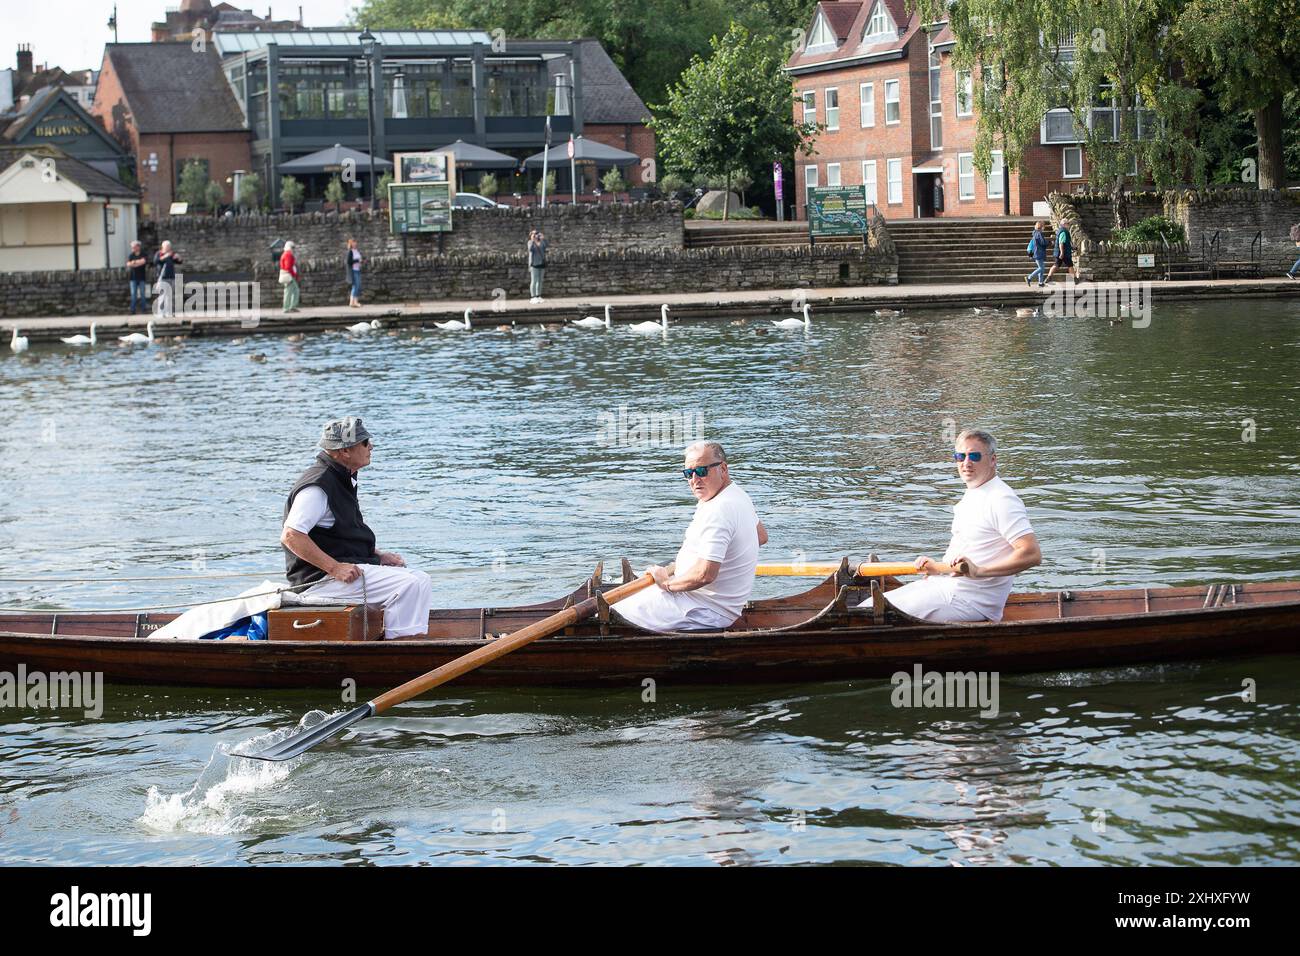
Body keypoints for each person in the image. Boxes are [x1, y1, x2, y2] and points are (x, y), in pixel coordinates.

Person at [280, 417, 432, 639]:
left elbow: (339, 535)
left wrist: (377, 555)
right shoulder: (319, 485)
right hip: (319, 581)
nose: (371, 446)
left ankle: (407, 640)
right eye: (364, 442)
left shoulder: (342, 477)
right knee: (408, 584)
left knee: (420, 579)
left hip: (340, 572)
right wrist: (334, 568)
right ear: (345, 451)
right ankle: (400, 650)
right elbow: (291, 535)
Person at [875, 429, 1042, 623]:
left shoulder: (1002, 499)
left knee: (873, 616)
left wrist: (979, 571)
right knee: (866, 608)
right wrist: (937, 568)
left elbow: (1031, 554)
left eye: (975, 456)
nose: (966, 463)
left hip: (971, 602)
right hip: (945, 588)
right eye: (960, 456)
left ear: (993, 460)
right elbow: (970, 553)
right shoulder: (972, 495)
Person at [614, 441, 768, 632]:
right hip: (709, 601)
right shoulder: (736, 494)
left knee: (614, 615)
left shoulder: (720, 509)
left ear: (723, 468)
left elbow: (705, 575)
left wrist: (667, 583)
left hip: (704, 608)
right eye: (689, 473)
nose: (695, 479)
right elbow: (760, 536)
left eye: (702, 471)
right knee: (625, 601)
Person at [152, 240, 182, 317]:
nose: (168, 248)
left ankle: (170, 312)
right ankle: (161, 312)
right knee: (162, 296)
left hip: (171, 277)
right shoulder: (159, 253)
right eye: (166, 247)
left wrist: (178, 258)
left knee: (170, 296)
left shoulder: (171, 254)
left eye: (169, 247)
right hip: (162, 278)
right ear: (163, 247)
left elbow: (179, 262)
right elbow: (155, 262)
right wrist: (165, 256)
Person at [127, 240, 149, 315]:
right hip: (133, 278)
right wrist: (137, 263)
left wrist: (134, 263)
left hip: (142, 277)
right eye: (132, 247)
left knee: (143, 294)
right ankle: (132, 310)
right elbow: (128, 264)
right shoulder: (131, 255)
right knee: (133, 295)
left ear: (138, 247)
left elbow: (143, 261)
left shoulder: (143, 254)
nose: (132, 248)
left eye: (134, 247)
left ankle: (144, 309)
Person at [1025, 221, 1049, 288]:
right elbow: (1043, 243)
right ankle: (1029, 277)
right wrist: (1049, 242)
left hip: (1036, 253)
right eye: (1044, 226)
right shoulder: (1039, 233)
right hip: (1039, 253)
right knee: (1041, 268)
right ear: (1041, 227)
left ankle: (1040, 282)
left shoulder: (1035, 233)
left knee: (1041, 268)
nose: (1044, 228)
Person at [280, 240, 301, 313]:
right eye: (293, 247)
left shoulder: (286, 254)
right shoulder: (288, 255)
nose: (293, 249)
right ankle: (286, 308)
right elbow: (288, 267)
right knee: (289, 291)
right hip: (289, 275)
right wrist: (294, 275)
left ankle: (292, 307)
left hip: (288, 275)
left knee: (294, 291)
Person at [527, 229, 547, 303]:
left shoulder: (541, 242)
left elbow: (546, 246)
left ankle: (538, 296)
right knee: (534, 280)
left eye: (537, 233)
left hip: (542, 263)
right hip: (534, 264)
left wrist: (543, 239)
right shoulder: (530, 242)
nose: (536, 235)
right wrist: (533, 240)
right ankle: (533, 297)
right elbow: (530, 249)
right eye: (534, 234)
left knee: (540, 280)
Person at [345, 238, 363, 307]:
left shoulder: (356, 251)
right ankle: (354, 302)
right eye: (353, 242)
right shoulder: (350, 251)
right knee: (356, 286)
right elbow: (348, 261)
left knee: (357, 286)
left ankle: (353, 302)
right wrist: (357, 261)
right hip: (353, 270)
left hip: (358, 269)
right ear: (351, 244)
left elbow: (359, 259)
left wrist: (361, 261)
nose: (355, 243)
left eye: (355, 242)